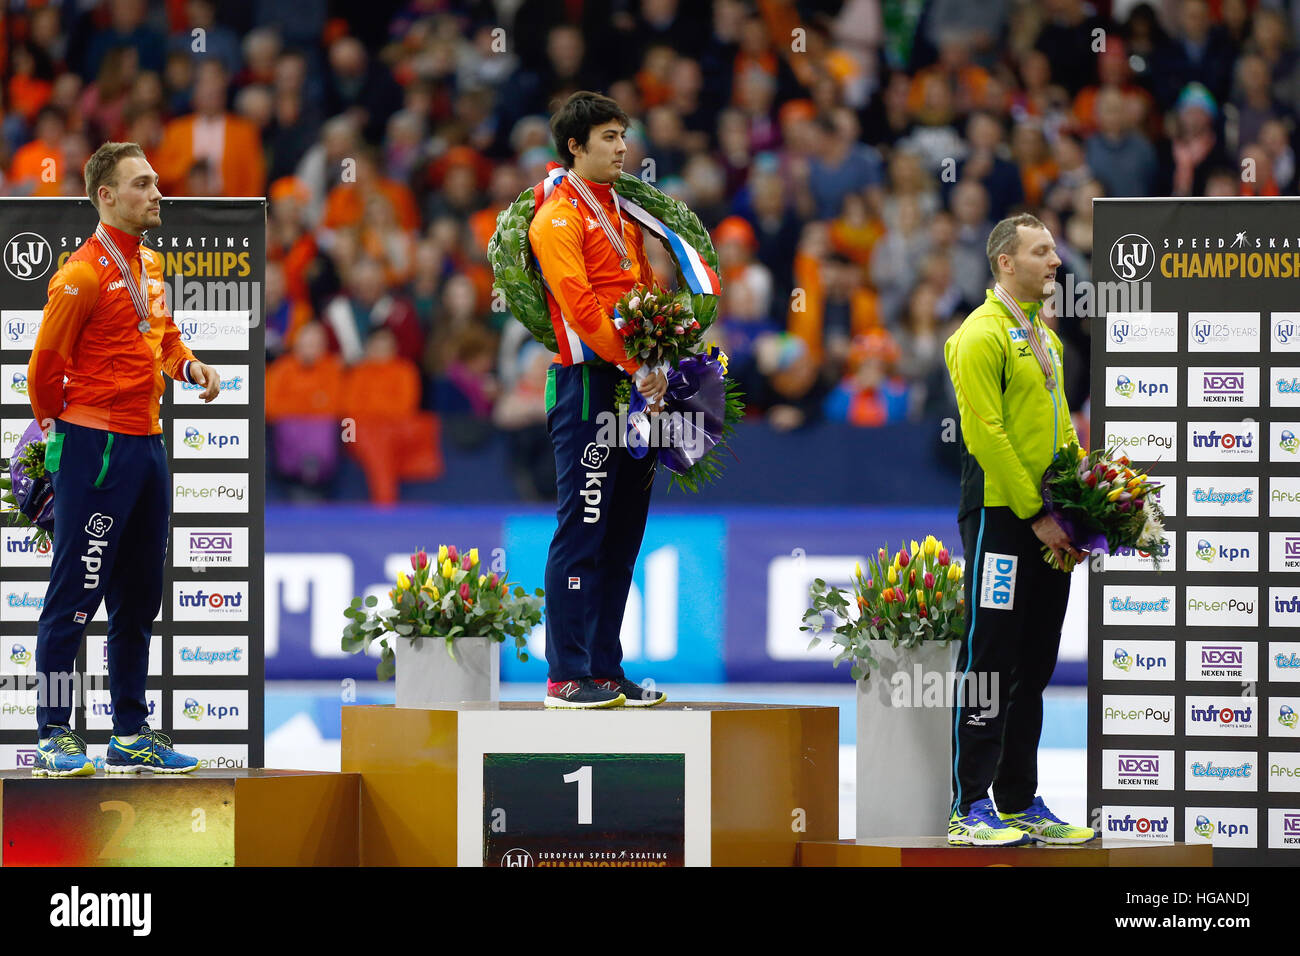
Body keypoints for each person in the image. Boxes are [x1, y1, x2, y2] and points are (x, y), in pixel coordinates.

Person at [26, 141, 222, 776]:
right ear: (106, 196)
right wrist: (64, 443)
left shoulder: (153, 267)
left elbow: (160, 336)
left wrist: (187, 365)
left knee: (139, 598)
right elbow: (43, 371)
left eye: (156, 183)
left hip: (148, 445)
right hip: (96, 449)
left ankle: (130, 732)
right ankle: (54, 731)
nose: (156, 193)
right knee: (74, 596)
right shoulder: (80, 276)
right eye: (141, 184)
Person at [942, 213, 1095, 846]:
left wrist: (1078, 508)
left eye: (1054, 251)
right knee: (990, 661)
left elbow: (1061, 431)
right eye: (1042, 252)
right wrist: (1037, 515)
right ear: (1007, 262)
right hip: (1004, 522)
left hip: (1049, 524)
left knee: (1033, 666)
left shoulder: (1046, 339)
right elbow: (986, 435)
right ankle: (968, 807)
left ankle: (1018, 800)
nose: (1056, 263)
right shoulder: (977, 337)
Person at [526, 91, 669, 709]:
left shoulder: (621, 211)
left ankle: (604, 668)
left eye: (624, 136)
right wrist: (638, 364)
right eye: (608, 137)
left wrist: (660, 360)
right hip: (588, 387)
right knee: (582, 528)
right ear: (575, 147)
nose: (621, 148)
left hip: (634, 384)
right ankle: (565, 672)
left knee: (621, 534)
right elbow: (582, 308)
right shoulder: (557, 217)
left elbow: (639, 294)